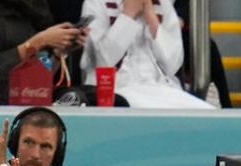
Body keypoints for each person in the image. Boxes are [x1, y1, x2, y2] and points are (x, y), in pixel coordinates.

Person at [80, 0, 214, 109]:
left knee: (207, 114)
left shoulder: (163, 5)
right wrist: (128, 15)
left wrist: (151, 17)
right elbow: (102, 63)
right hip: (116, 91)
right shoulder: (95, 3)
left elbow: (173, 65)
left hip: (163, 90)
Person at [0, 0, 87, 105]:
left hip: (29, 95)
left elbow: (38, 75)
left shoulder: (34, 7)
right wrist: (36, 43)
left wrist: (58, 53)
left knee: (76, 97)